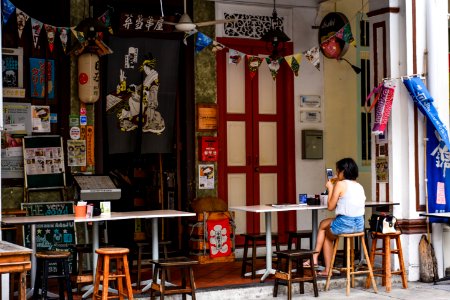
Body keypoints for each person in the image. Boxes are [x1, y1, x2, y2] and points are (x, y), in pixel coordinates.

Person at [308, 157, 366, 277]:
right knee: (324, 224)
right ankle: (314, 258)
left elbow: (330, 206)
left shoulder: (340, 184)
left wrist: (330, 188)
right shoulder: (359, 186)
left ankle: (319, 262)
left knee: (325, 232)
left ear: (343, 171)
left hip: (345, 224)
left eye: (337, 171)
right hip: (359, 225)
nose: (336, 173)